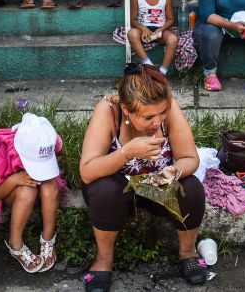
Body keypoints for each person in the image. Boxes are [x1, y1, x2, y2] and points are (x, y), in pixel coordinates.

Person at [79, 63, 207, 292]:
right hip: (117, 191)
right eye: (148, 117)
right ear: (127, 109)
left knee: (192, 187)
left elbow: (189, 158)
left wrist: (173, 171)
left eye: (162, 113)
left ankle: (188, 251)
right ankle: (103, 259)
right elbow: (87, 171)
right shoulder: (108, 110)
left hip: (156, 185)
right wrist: (128, 152)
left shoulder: (166, 109)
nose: (157, 122)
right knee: (105, 189)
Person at [0, 113, 62, 273]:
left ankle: (48, 238)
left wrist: (43, 169)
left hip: (41, 187)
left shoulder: (47, 139)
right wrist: (14, 180)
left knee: (51, 186)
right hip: (14, 192)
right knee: (27, 191)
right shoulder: (2, 151)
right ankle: (15, 243)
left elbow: (60, 156)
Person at [127, 0, 178, 75]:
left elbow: (171, 19)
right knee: (131, 34)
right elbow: (133, 19)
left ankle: (162, 73)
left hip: (160, 31)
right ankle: (149, 66)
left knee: (173, 39)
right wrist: (143, 28)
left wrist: (162, 29)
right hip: (143, 31)